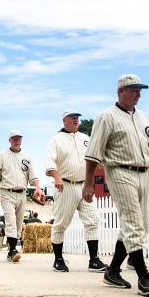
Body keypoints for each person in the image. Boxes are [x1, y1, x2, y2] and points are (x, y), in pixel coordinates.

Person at [82, 74, 149, 297]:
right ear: (120, 91)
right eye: (133, 90)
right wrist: (89, 183)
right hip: (120, 171)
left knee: (139, 224)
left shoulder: (144, 118)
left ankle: (112, 271)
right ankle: (143, 277)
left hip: (144, 174)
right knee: (133, 223)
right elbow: (93, 154)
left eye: (140, 91)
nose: (138, 94)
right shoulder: (106, 117)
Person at [46, 110, 107, 273]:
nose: (76, 119)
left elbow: (94, 157)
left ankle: (94, 260)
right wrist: (56, 177)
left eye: (77, 117)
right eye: (72, 117)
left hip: (84, 185)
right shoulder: (56, 140)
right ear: (64, 121)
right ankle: (58, 260)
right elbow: (49, 162)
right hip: (65, 185)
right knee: (61, 224)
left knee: (92, 220)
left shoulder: (85, 138)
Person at [0, 131, 43, 262]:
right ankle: (12, 251)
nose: (17, 140)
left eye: (19, 138)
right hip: (6, 192)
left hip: (22, 193)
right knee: (10, 222)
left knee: (19, 225)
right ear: (9, 140)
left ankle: (12, 248)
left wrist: (38, 188)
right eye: (14, 138)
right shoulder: (2, 156)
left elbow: (33, 176)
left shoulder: (26, 156)